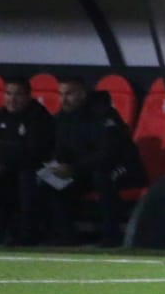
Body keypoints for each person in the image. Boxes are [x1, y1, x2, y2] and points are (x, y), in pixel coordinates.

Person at [43, 77, 144, 248]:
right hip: (84, 170)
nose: (63, 99)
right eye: (60, 94)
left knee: (103, 178)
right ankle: (66, 236)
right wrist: (56, 165)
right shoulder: (61, 119)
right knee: (49, 180)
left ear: (82, 94)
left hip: (124, 167)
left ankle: (112, 236)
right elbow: (59, 149)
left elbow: (109, 154)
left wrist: (74, 168)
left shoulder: (103, 114)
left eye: (69, 94)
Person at [0, 79, 54, 246]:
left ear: (29, 96)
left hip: (38, 169)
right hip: (7, 168)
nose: (12, 99)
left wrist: (5, 164)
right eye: (9, 93)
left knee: (26, 179)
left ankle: (26, 237)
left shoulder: (38, 117)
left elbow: (34, 153)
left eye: (18, 94)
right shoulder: (1, 116)